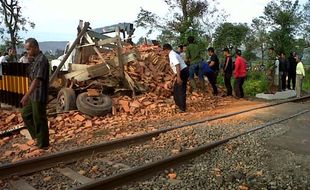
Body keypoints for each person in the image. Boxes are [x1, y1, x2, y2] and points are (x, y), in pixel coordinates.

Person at [20, 38, 50, 149]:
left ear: (35, 47)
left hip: (39, 95)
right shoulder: (35, 59)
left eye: (28, 49)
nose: (27, 52)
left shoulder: (42, 60)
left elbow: (36, 80)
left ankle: (43, 145)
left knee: (39, 119)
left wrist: (26, 95)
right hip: (33, 95)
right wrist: (29, 60)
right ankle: (37, 137)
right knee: (25, 114)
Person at [163, 43, 189, 112]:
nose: (163, 53)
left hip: (182, 72)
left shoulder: (172, 55)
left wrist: (179, 77)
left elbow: (177, 65)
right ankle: (179, 105)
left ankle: (182, 108)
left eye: (163, 51)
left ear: (166, 50)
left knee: (180, 89)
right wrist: (173, 77)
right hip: (183, 71)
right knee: (176, 89)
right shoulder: (173, 54)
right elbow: (176, 67)